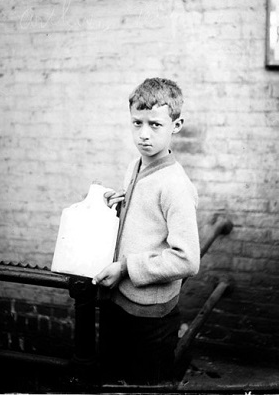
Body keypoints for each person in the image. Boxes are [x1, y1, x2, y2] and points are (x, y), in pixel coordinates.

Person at [92, 77, 200, 385]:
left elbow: (187, 260)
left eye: (155, 125)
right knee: (112, 380)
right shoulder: (134, 166)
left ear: (176, 125)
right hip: (118, 301)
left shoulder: (176, 186)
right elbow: (145, 215)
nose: (143, 134)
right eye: (136, 123)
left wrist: (126, 267)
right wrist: (121, 202)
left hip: (151, 318)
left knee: (145, 385)